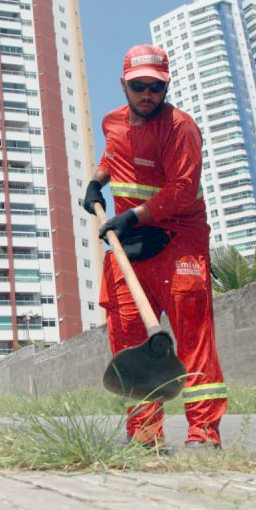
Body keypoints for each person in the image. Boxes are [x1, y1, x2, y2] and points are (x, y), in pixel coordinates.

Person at [83, 43, 228, 449]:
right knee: (127, 338)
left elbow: (183, 190)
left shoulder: (181, 128)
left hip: (179, 240)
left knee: (193, 337)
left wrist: (131, 216)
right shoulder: (112, 121)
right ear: (123, 85)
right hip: (130, 247)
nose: (147, 95)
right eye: (138, 86)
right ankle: (145, 437)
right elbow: (115, 156)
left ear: (166, 87)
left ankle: (203, 434)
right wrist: (97, 180)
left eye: (155, 87)